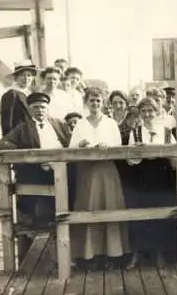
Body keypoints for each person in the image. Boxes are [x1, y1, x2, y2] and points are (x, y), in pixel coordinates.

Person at [0, 92, 73, 262]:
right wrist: (29, 157)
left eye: (43, 107)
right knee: (36, 218)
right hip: (35, 175)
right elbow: (1, 145)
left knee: (64, 214)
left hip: (61, 173)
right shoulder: (22, 128)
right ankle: (36, 257)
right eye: (36, 108)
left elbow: (71, 143)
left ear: (48, 109)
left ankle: (67, 255)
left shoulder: (59, 124)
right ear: (30, 110)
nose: (40, 111)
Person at [68, 86, 131, 270]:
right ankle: (88, 255)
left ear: (103, 103)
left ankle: (114, 254)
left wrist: (108, 146)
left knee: (109, 206)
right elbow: (71, 148)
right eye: (91, 100)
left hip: (106, 171)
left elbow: (118, 146)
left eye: (98, 100)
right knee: (89, 207)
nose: (95, 104)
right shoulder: (80, 124)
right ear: (86, 103)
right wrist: (81, 144)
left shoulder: (110, 123)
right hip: (87, 172)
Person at [126, 97, 177, 268]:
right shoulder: (135, 132)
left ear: (156, 112)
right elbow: (130, 161)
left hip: (162, 176)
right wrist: (137, 152)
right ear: (139, 113)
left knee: (162, 214)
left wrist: (166, 153)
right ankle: (138, 253)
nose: (147, 114)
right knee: (141, 214)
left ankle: (160, 253)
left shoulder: (167, 131)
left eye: (150, 111)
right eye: (144, 111)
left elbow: (175, 158)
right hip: (143, 176)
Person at [0, 60, 38, 136]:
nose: (26, 78)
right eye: (22, 75)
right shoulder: (11, 94)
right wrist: (9, 138)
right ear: (16, 78)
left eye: (29, 75)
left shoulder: (30, 94)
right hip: (19, 135)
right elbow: (7, 121)